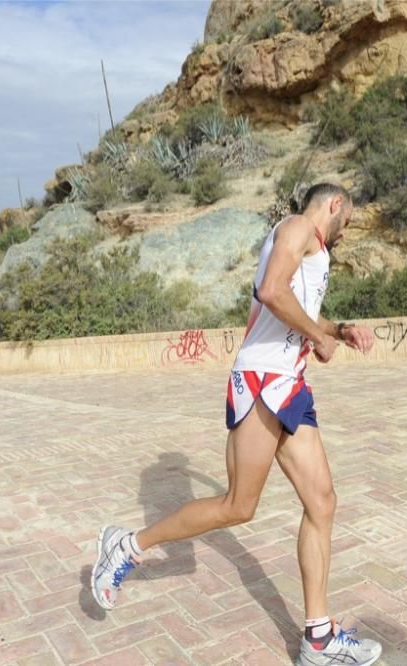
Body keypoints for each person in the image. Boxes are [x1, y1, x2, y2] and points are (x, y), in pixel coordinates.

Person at [91, 183, 383, 666]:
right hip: (264, 380)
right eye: (345, 221)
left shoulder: (308, 245)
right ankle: (126, 545)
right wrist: (316, 336)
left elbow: (297, 308)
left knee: (322, 501)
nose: (343, 232)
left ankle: (318, 638)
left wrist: (336, 331)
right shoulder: (297, 228)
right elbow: (270, 292)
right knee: (237, 506)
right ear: (334, 205)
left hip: (288, 382)